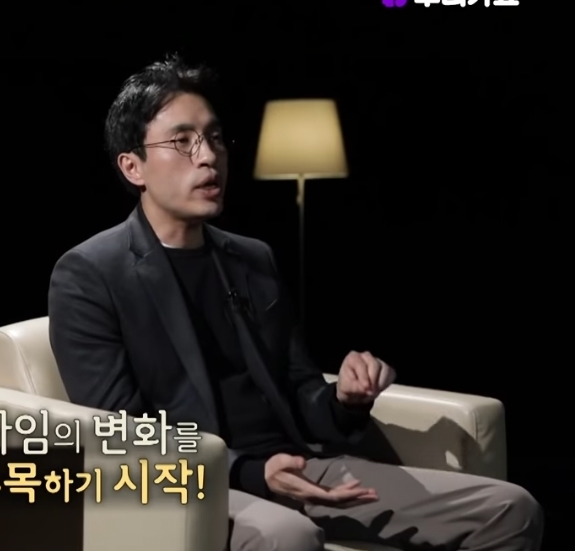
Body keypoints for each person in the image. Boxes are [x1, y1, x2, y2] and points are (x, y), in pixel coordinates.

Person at [47, 55, 544, 550]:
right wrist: (252, 472)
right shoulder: (90, 274)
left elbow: (301, 391)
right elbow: (125, 433)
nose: (208, 156)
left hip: (302, 467)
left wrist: (346, 400)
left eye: (215, 137)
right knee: (289, 535)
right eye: (182, 141)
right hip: (197, 484)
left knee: (510, 509)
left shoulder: (251, 258)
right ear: (132, 166)